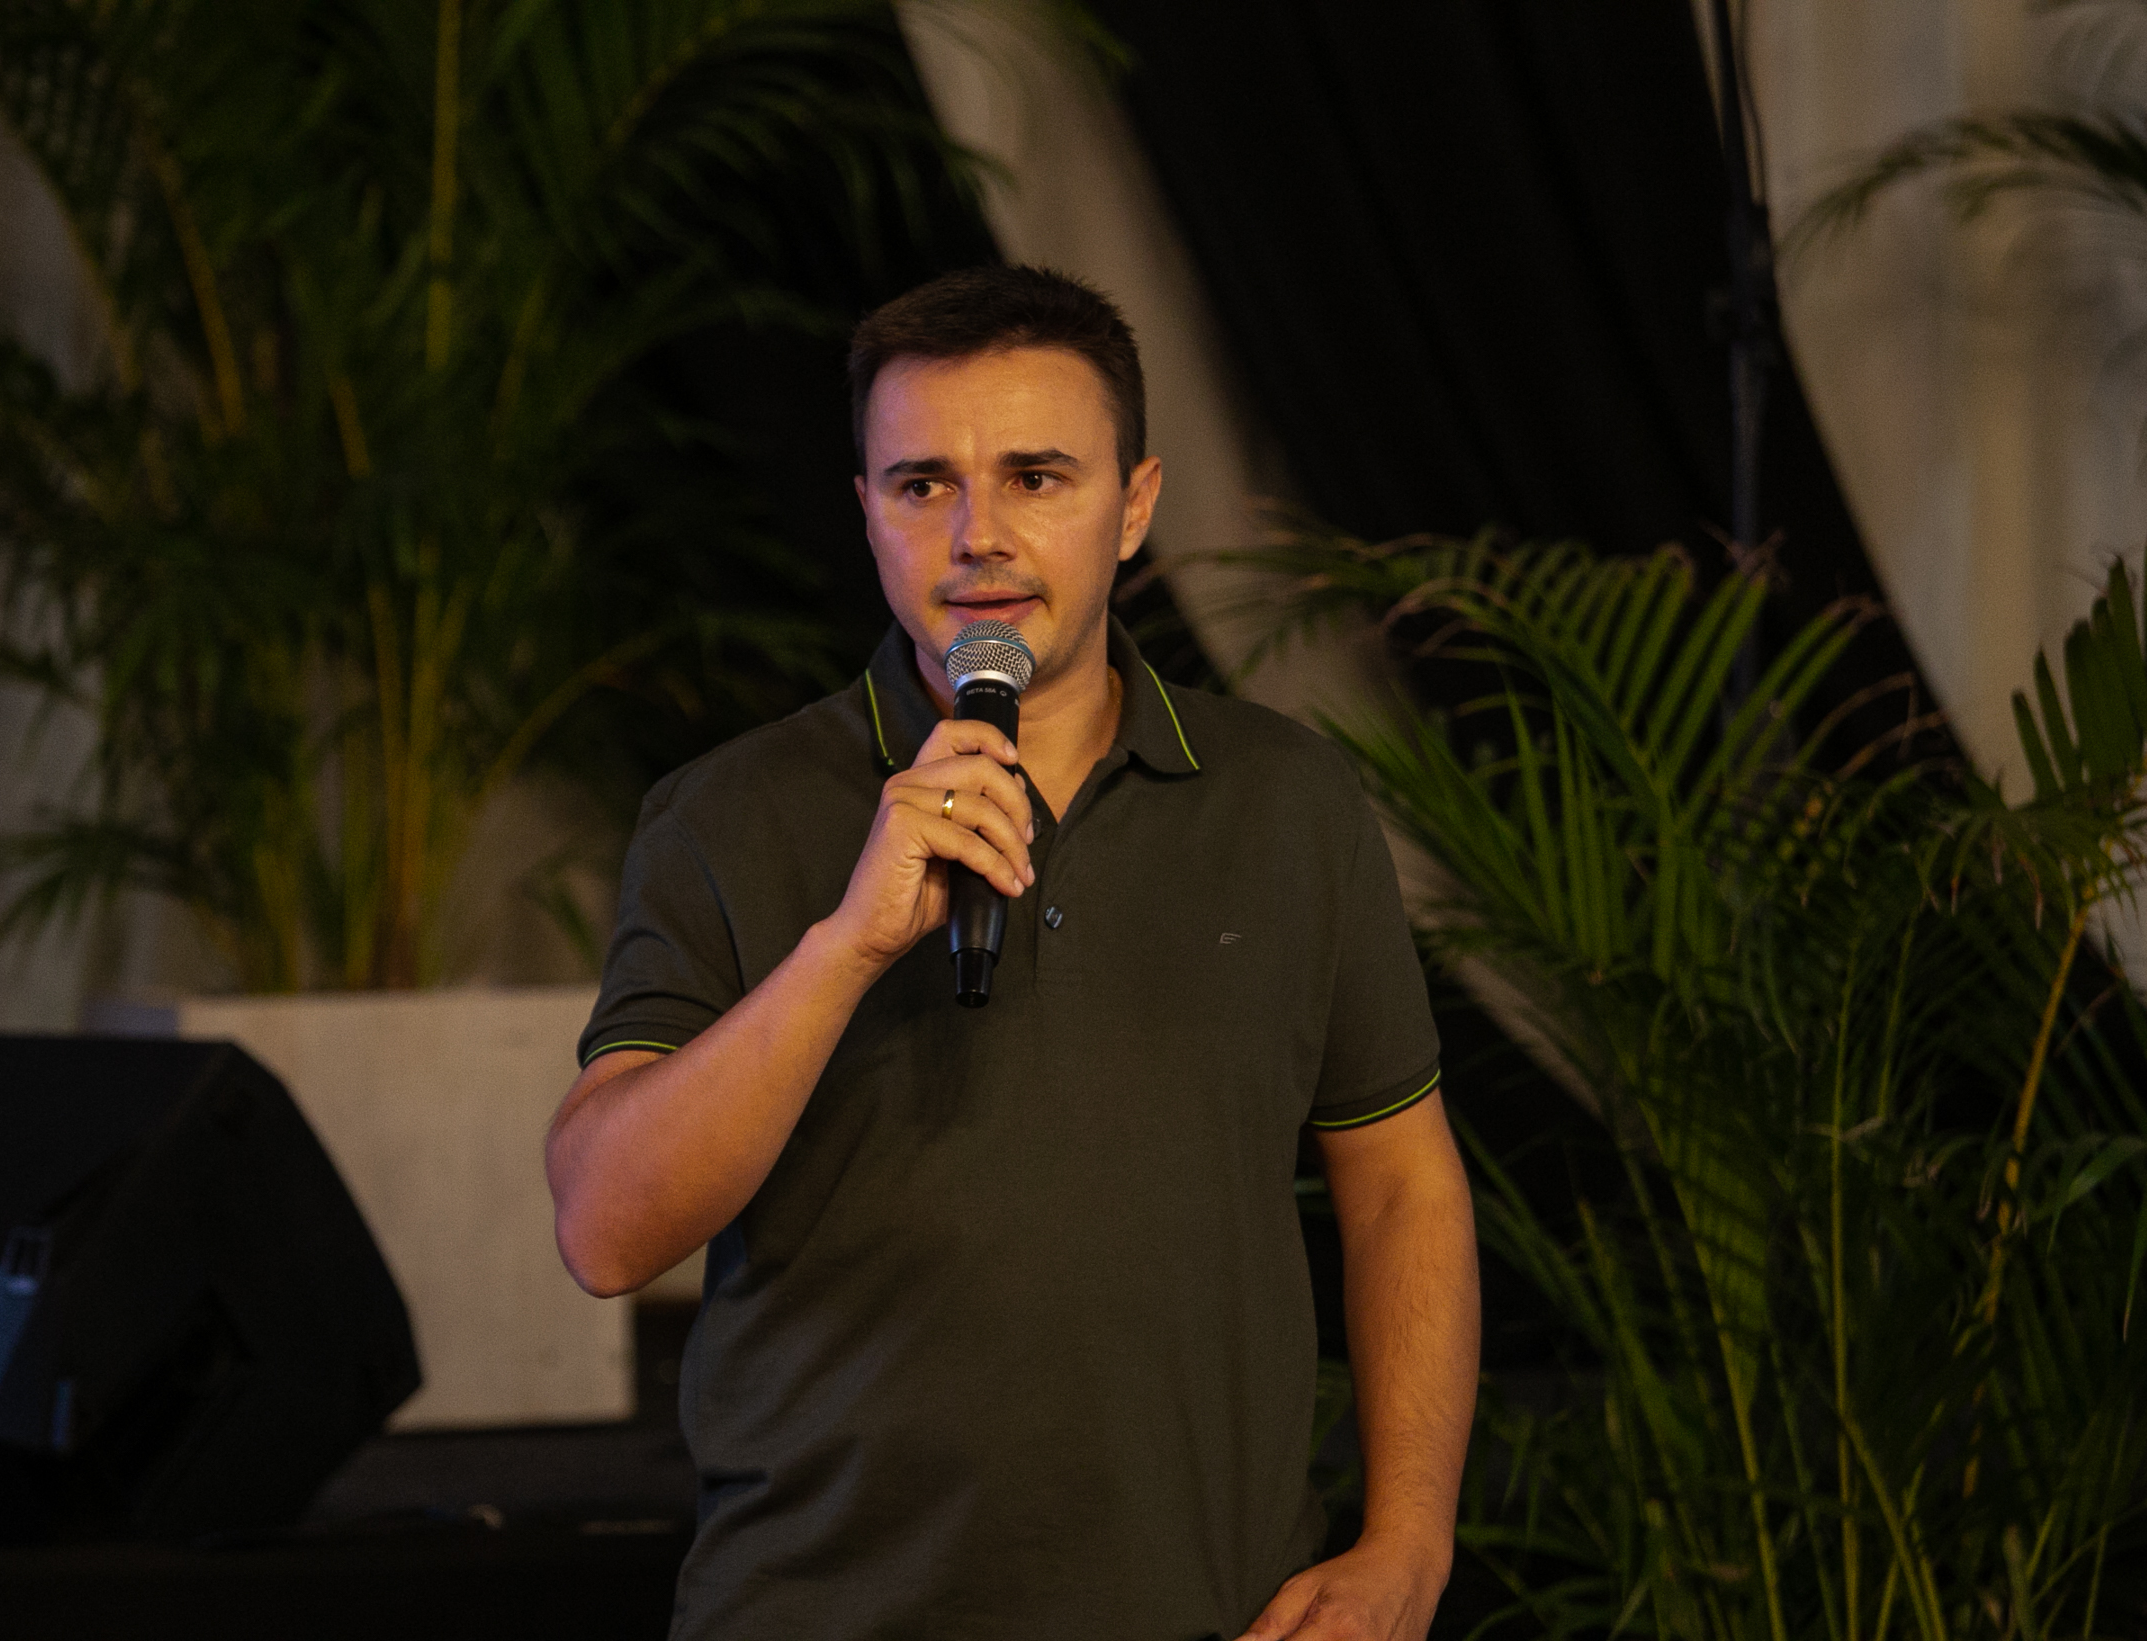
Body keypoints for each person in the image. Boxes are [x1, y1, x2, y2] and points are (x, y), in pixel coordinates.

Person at [547, 266, 1479, 1641]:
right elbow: (604, 1229)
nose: (977, 535)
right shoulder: (730, 813)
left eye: (1036, 477)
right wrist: (845, 946)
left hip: (1211, 1615)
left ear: (1135, 505)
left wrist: (1408, 1541)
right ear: (865, 510)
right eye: (922, 483)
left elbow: (1400, 1184)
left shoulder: (1285, 801)